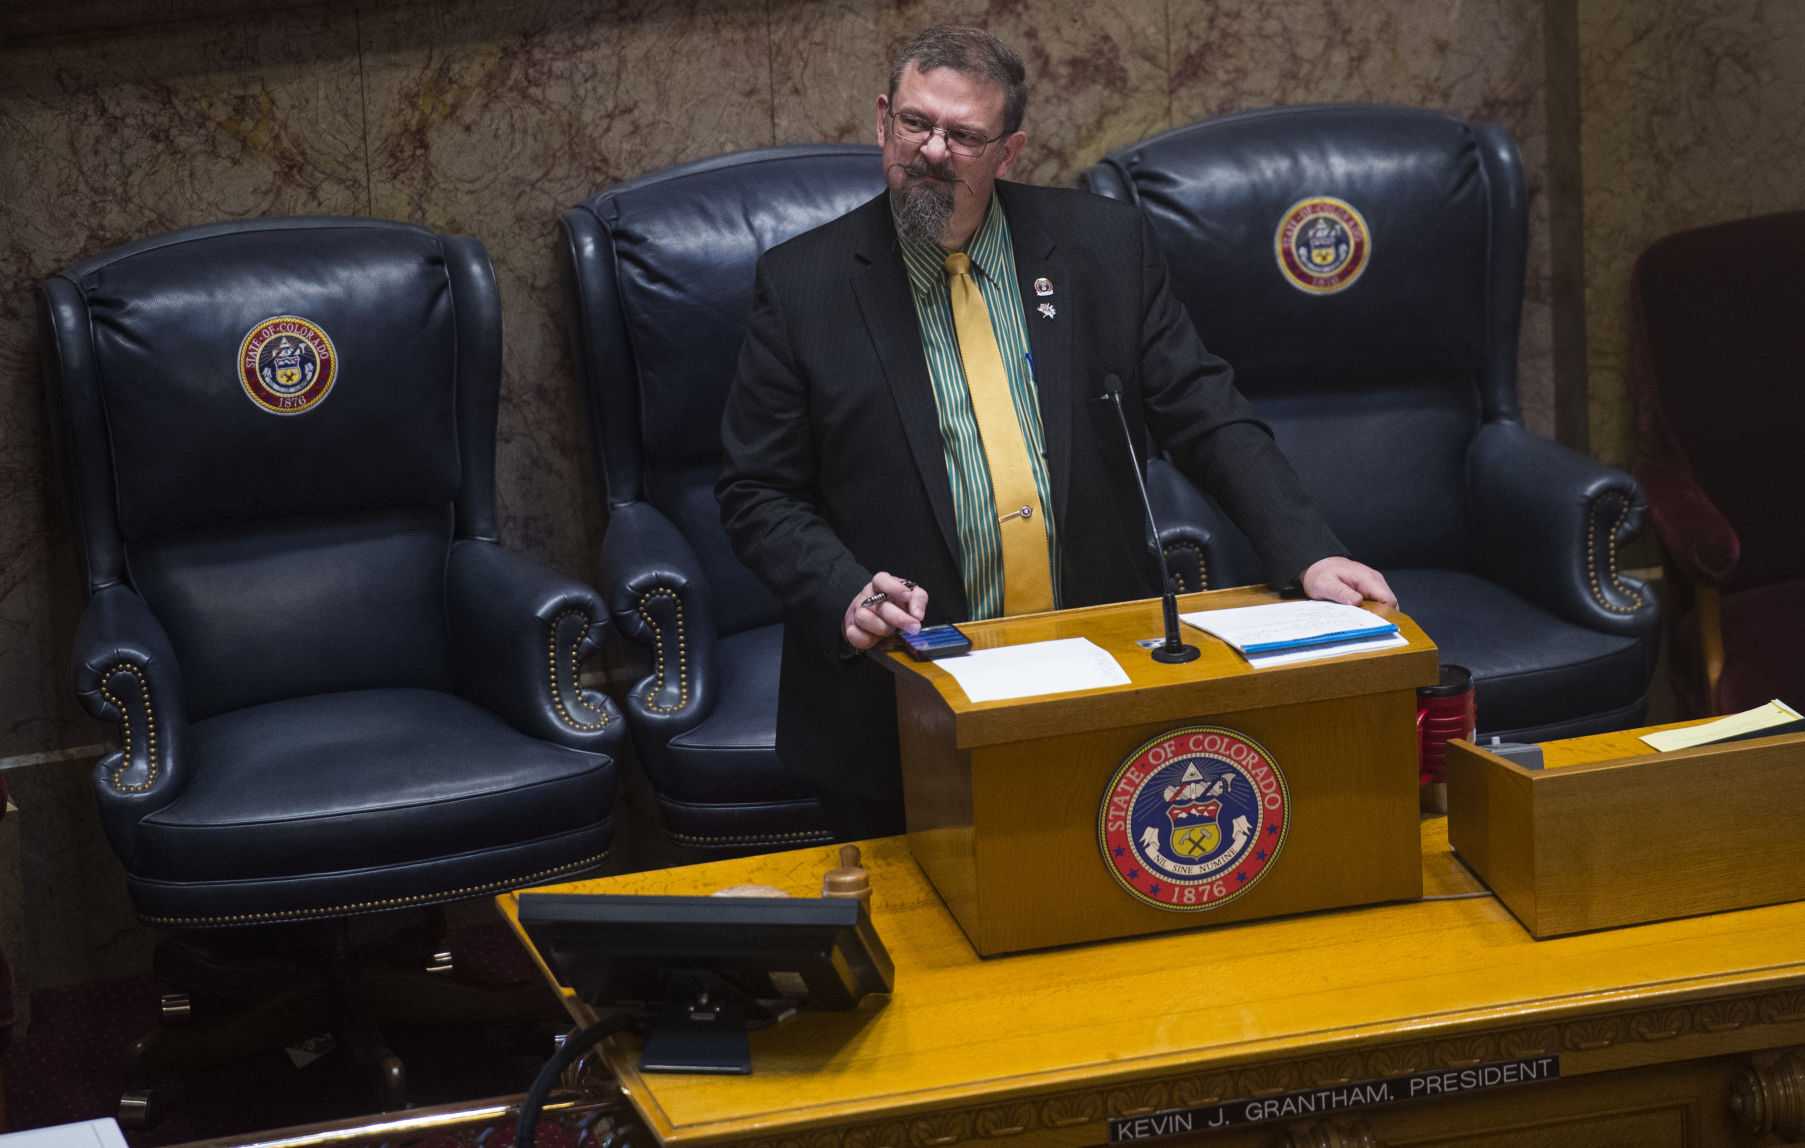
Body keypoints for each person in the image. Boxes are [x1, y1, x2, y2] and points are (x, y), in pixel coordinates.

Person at [717, 25, 1394, 841]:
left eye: (963, 136)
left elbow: (1205, 412)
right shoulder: (803, 285)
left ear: (1008, 152)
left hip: (1093, 667)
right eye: (914, 124)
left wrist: (1309, 551)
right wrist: (843, 592)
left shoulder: (1101, 248)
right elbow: (757, 490)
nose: (933, 151)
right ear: (881, 119)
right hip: (897, 696)